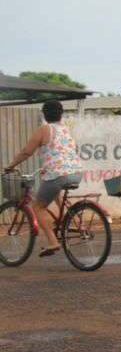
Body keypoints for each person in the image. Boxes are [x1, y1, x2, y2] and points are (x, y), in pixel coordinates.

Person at [4, 100, 82, 257]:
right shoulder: (66, 130)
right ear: (61, 114)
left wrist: (11, 166)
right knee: (55, 190)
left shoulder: (44, 129)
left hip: (57, 174)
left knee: (37, 207)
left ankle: (53, 242)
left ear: (45, 115)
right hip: (76, 173)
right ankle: (70, 222)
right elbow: (73, 149)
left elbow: (27, 151)